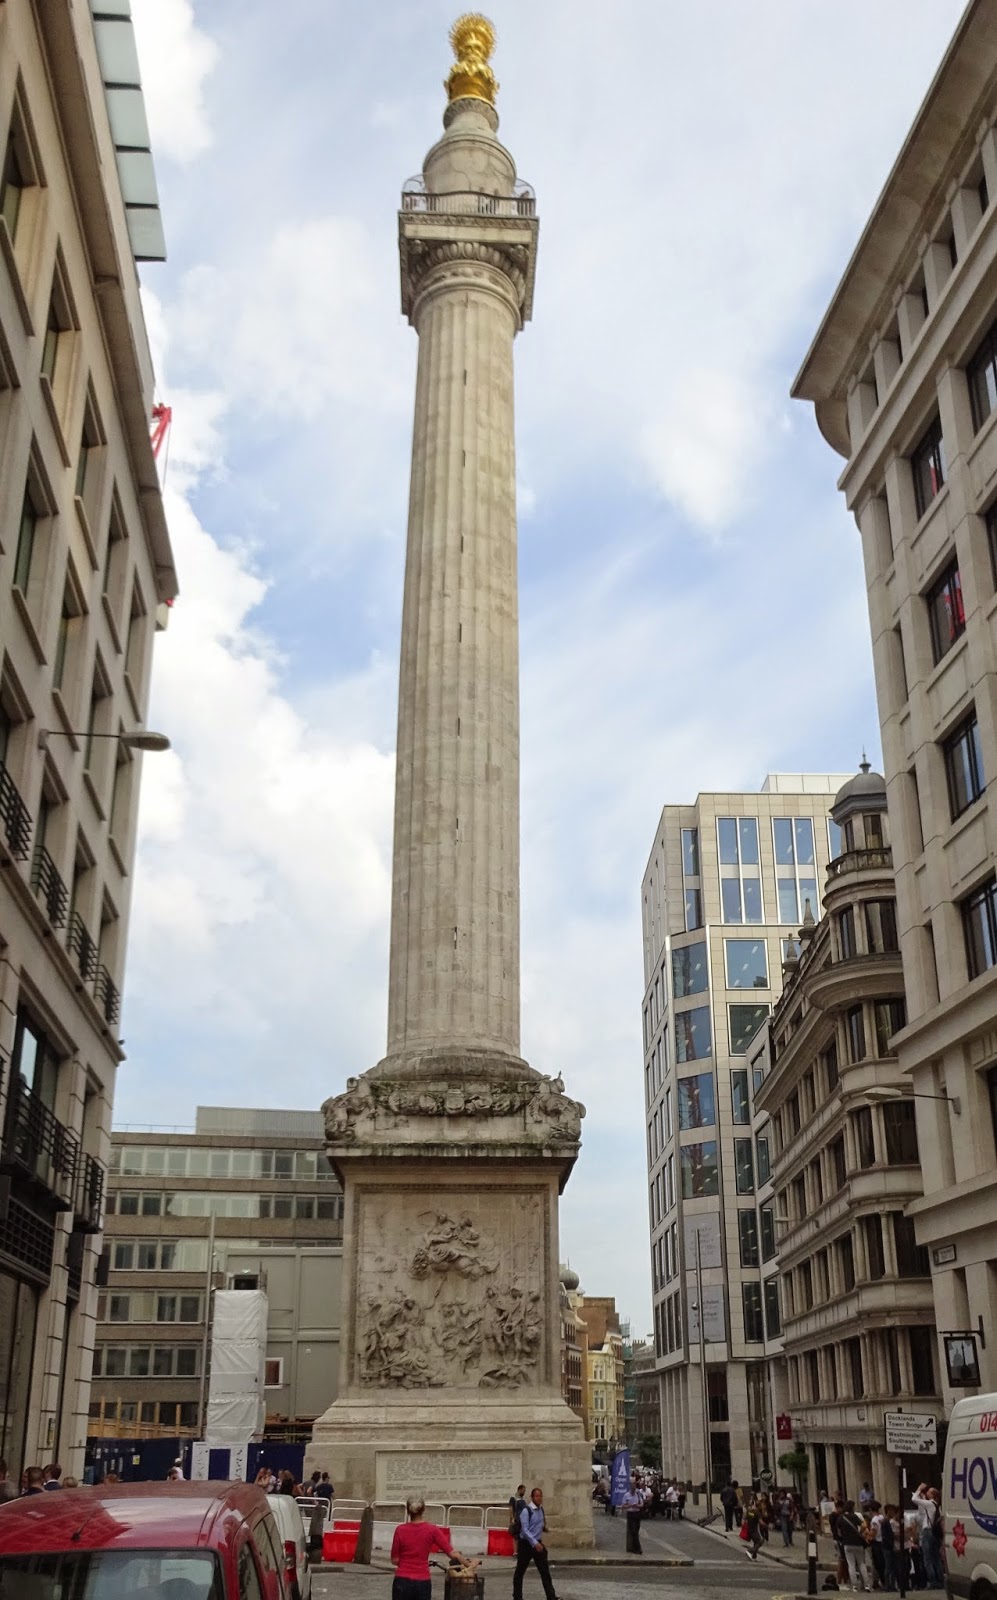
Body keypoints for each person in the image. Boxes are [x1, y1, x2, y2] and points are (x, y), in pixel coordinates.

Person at [390, 1495, 465, 1600]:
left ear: (408, 1511)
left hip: (402, 1581)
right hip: (422, 1581)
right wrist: (469, 1564)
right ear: (423, 1510)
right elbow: (453, 1554)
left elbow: (394, 1560)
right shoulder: (432, 1530)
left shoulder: (400, 1530)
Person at [514, 1487, 558, 1600]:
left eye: (540, 1496)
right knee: (520, 1572)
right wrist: (535, 1543)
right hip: (526, 1544)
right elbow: (525, 1530)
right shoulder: (526, 1511)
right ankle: (517, 1597)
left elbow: (538, 1524)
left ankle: (551, 1596)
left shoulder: (541, 1510)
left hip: (537, 1543)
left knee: (545, 1572)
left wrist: (544, 1529)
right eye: (537, 1496)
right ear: (532, 1497)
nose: (539, 1498)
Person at [912, 1484, 944, 1590]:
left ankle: (933, 1581)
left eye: (929, 1491)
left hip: (927, 1531)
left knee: (927, 1558)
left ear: (933, 1495)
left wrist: (919, 1489)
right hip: (935, 1533)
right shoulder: (937, 1505)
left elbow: (914, 1499)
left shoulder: (930, 1504)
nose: (927, 1492)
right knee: (936, 1558)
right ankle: (940, 1579)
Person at [838, 1500, 872, 1593]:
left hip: (847, 1543)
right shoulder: (855, 1516)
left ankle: (854, 1586)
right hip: (858, 1542)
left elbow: (839, 1532)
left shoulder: (841, 1518)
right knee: (861, 1564)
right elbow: (864, 1525)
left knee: (851, 1565)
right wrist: (860, 1532)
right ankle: (867, 1585)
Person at [620, 1478, 643, 1555]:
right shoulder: (626, 1495)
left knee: (636, 1531)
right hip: (631, 1514)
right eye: (632, 1485)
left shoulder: (638, 1494)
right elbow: (623, 1505)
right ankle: (638, 1548)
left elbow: (641, 1504)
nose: (633, 1487)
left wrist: (637, 1505)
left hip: (637, 1513)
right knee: (633, 1531)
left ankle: (633, 1547)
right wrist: (630, 1505)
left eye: (634, 1485)